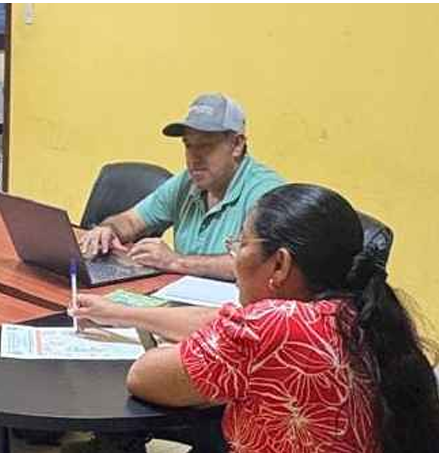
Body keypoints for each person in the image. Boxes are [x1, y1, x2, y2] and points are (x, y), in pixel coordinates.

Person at [73, 183, 439, 452]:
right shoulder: (357, 312)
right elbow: (219, 320)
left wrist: (191, 345)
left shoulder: (274, 326)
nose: (235, 257)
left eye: (241, 244)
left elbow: (144, 377)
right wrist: (125, 314)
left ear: (279, 264)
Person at [80, 93, 284, 281]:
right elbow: (132, 220)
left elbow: (258, 265)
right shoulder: (187, 182)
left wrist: (175, 261)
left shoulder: (267, 192)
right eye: (188, 145)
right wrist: (108, 229)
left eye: (205, 146)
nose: (194, 158)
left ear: (237, 145)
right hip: (184, 298)